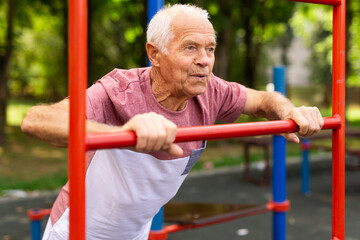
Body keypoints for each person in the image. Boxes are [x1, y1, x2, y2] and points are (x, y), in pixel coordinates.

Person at [21, 4, 324, 240]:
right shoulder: (119, 91)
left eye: (210, 49)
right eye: (191, 47)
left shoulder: (211, 90)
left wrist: (290, 110)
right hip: (74, 232)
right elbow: (37, 120)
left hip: (134, 234)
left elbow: (263, 100)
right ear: (155, 54)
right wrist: (120, 133)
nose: (205, 60)